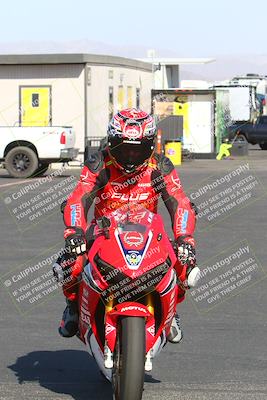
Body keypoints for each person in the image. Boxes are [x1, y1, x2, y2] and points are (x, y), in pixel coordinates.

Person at [54, 108, 198, 342]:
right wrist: (74, 233)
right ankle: (72, 305)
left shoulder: (161, 166)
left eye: (138, 148)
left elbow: (180, 202)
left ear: (150, 146)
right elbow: (77, 199)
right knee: (71, 259)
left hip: (149, 233)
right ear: (111, 143)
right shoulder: (98, 163)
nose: (131, 155)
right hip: (102, 231)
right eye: (125, 148)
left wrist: (185, 239)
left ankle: (172, 313)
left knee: (185, 260)